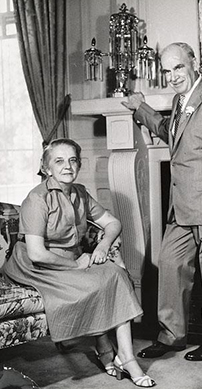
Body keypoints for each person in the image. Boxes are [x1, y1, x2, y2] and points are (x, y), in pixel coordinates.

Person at [122, 42, 202, 361]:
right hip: (181, 205)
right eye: (167, 70)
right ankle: (171, 334)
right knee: (170, 264)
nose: (173, 75)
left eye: (178, 67)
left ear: (194, 63)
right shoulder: (181, 100)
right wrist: (141, 108)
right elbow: (170, 132)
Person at [3, 138, 155, 387]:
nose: (67, 166)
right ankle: (105, 346)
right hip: (35, 266)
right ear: (46, 168)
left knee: (115, 273)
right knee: (98, 282)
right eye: (59, 161)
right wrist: (76, 265)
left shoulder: (80, 193)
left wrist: (103, 245)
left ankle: (125, 357)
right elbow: (37, 254)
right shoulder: (37, 199)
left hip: (72, 258)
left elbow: (113, 223)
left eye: (73, 160)